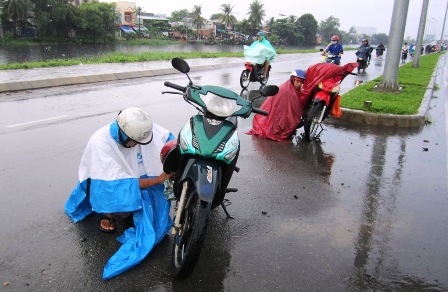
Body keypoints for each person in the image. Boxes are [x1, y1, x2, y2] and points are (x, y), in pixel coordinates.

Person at [64, 107, 175, 280]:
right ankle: (108, 214)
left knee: (153, 211)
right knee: (113, 192)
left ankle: (130, 208)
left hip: (136, 176)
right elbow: (119, 185)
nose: (137, 145)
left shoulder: (144, 131)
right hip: (106, 183)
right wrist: (159, 179)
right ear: (124, 134)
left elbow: (170, 142)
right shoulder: (101, 142)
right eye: (134, 142)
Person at [247, 69, 307, 141]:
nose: (299, 84)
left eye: (301, 82)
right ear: (292, 80)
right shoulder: (287, 90)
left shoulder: (292, 88)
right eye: (297, 81)